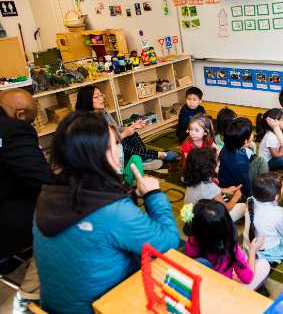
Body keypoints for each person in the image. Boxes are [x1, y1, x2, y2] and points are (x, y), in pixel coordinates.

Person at [33, 112, 179, 314]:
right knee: (200, 264)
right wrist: (153, 195)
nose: (120, 153)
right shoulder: (112, 211)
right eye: (115, 145)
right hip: (103, 307)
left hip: (52, 308)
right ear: (97, 154)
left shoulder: (45, 196)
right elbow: (168, 243)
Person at [0, 89, 51, 312]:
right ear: (20, 115)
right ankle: (28, 297)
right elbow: (43, 180)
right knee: (61, 216)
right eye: (30, 121)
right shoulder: (14, 129)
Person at [76, 86, 177, 170]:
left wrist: (131, 127)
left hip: (114, 140)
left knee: (133, 134)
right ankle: (157, 155)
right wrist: (124, 134)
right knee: (122, 145)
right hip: (102, 150)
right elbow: (105, 143)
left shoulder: (103, 112)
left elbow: (116, 128)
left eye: (101, 95)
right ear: (87, 100)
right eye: (96, 97)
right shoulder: (87, 121)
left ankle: (142, 160)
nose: (101, 98)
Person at [184, 200, 270, 291]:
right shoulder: (231, 247)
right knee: (264, 263)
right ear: (227, 224)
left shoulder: (190, 242)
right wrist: (252, 251)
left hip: (200, 287)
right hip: (224, 292)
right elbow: (248, 279)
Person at [243, 173, 283, 264]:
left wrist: (282, 211)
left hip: (249, 247)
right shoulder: (278, 213)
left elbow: (266, 215)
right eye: (282, 186)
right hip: (268, 250)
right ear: (275, 196)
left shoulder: (250, 201)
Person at [183, 148, 245, 222]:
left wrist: (226, 190)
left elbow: (207, 192)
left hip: (192, 219)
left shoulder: (193, 178)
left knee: (223, 195)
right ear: (208, 167)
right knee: (244, 206)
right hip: (206, 223)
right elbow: (226, 208)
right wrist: (235, 197)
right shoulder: (211, 187)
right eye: (217, 161)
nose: (219, 163)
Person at [218, 118, 269, 198]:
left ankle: (263, 187)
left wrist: (245, 146)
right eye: (251, 133)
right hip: (234, 189)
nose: (252, 134)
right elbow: (244, 183)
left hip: (232, 178)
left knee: (261, 161)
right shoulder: (238, 161)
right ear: (245, 141)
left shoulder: (231, 144)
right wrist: (252, 197)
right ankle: (263, 191)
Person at [257, 108, 283, 174]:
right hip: (268, 163)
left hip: (277, 154)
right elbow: (275, 155)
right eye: (282, 119)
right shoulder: (270, 137)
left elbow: (281, 144)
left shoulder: (279, 131)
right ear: (273, 123)